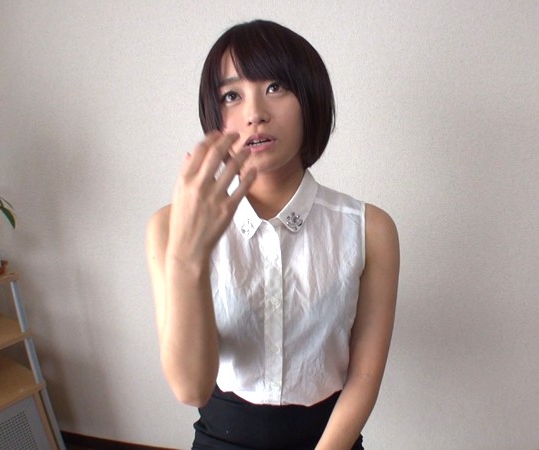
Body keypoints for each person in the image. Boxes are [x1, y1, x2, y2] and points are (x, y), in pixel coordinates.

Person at [146, 19, 399, 450]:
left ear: (310, 98)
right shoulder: (170, 227)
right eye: (232, 95)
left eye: (275, 87)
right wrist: (188, 258)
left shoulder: (369, 229)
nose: (255, 113)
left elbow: (364, 376)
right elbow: (190, 388)